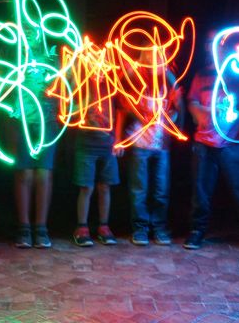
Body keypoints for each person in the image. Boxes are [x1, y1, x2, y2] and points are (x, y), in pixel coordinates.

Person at [183, 33, 239, 257]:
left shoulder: (238, 73)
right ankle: (197, 231)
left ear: (226, 45)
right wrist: (200, 112)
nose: (216, 45)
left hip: (233, 143)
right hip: (204, 142)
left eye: (219, 42)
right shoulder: (202, 75)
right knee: (201, 192)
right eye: (211, 42)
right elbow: (191, 102)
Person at [118, 48, 184, 246]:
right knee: (139, 188)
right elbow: (123, 103)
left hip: (161, 144)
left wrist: (176, 103)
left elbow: (177, 114)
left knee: (161, 189)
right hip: (139, 143)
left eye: (157, 56)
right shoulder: (136, 81)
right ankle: (140, 229)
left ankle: (159, 228)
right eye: (150, 56)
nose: (154, 60)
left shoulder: (169, 82)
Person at [13, 26, 58, 249]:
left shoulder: (52, 55)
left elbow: (61, 86)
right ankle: (24, 228)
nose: (28, 34)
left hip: (47, 122)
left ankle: (41, 228)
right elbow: (3, 83)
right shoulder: (13, 56)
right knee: (25, 174)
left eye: (33, 30)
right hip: (24, 120)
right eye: (25, 30)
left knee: (43, 174)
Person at [71, 50, 120, 247]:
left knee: (105, 186)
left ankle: (103, 226)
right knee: (86, 187)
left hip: (107, 144)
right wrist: (83, 108)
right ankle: (81, 227)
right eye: (94, 65)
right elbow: (68, 112)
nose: (98, 69)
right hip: (86, 143)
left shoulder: (112, 88)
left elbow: (117, 114)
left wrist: (117, 139)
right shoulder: (81, 87)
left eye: (102, 65)